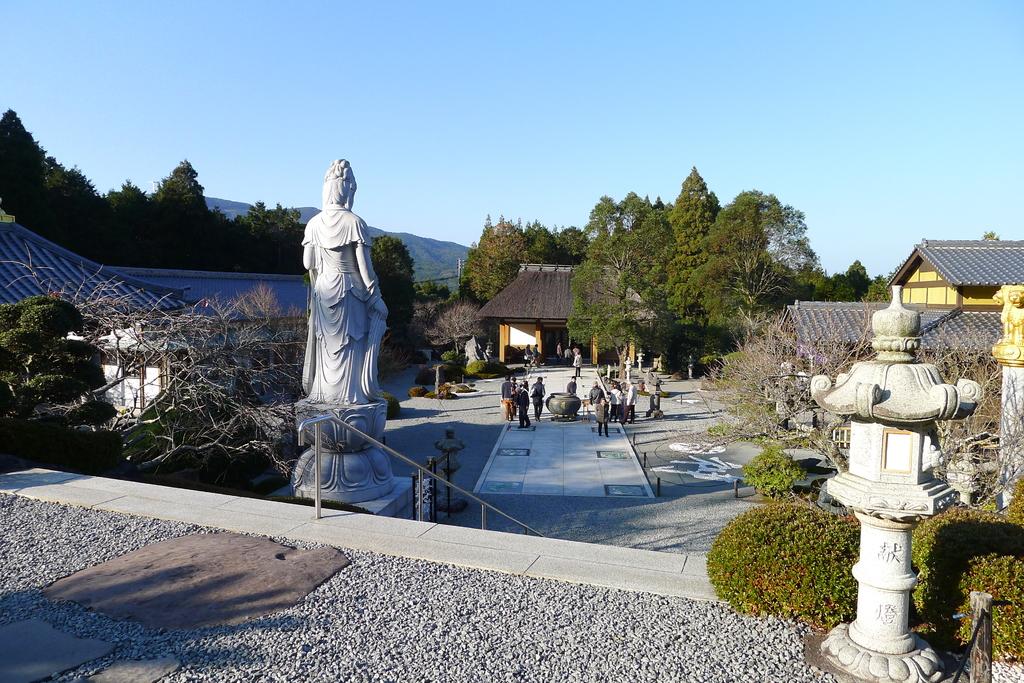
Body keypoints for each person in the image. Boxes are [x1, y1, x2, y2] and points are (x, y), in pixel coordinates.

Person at [302, 160, 388, 404]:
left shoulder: (313, 224)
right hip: (350, 289)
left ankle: (324, 396)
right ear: (347, 190)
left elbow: (308, 263)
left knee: (325, 346)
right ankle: (351, 398)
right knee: (352, 344)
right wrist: (377, 298)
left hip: (323, 291)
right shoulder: (354, 223)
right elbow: (365, 269)